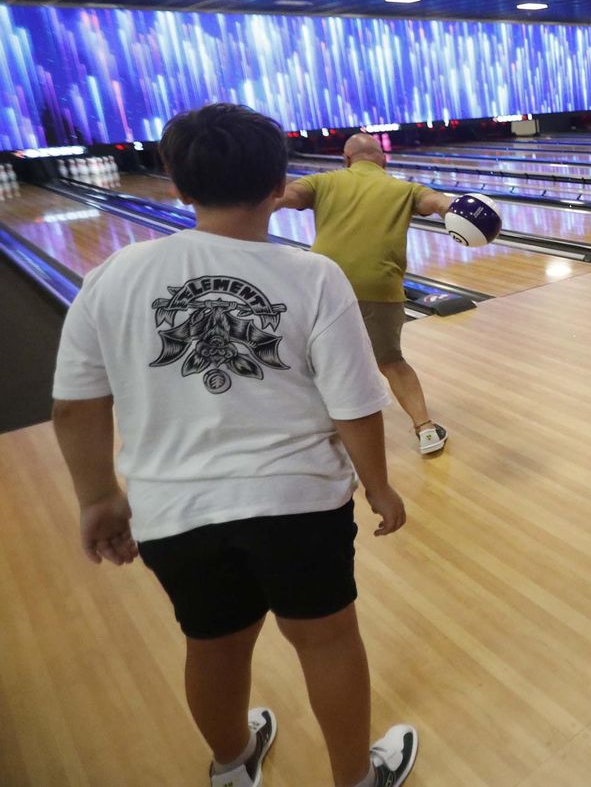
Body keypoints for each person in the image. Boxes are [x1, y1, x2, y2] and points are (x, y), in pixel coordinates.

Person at [51, 104, 420, 787]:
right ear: (281, 185)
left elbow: (74, 406)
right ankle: (356, 780)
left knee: (213, 644)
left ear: (177, 184)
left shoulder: (112, 276)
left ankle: (230, 764)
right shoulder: (312, 277)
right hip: (297, 500)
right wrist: (379, 484)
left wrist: (99, 495)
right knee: (328, 639)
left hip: (172, 511)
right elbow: (354, 403)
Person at [280, 134, 456, 455]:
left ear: (346, 160)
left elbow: (288, 195)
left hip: (322, 287)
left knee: (312, 364)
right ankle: (426, 429)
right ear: (383, 159)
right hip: (379, 287)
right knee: (391, 361)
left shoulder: (323, 181)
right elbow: (436, 201)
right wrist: (452, 208)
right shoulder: (404, 189)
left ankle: (312, 437)